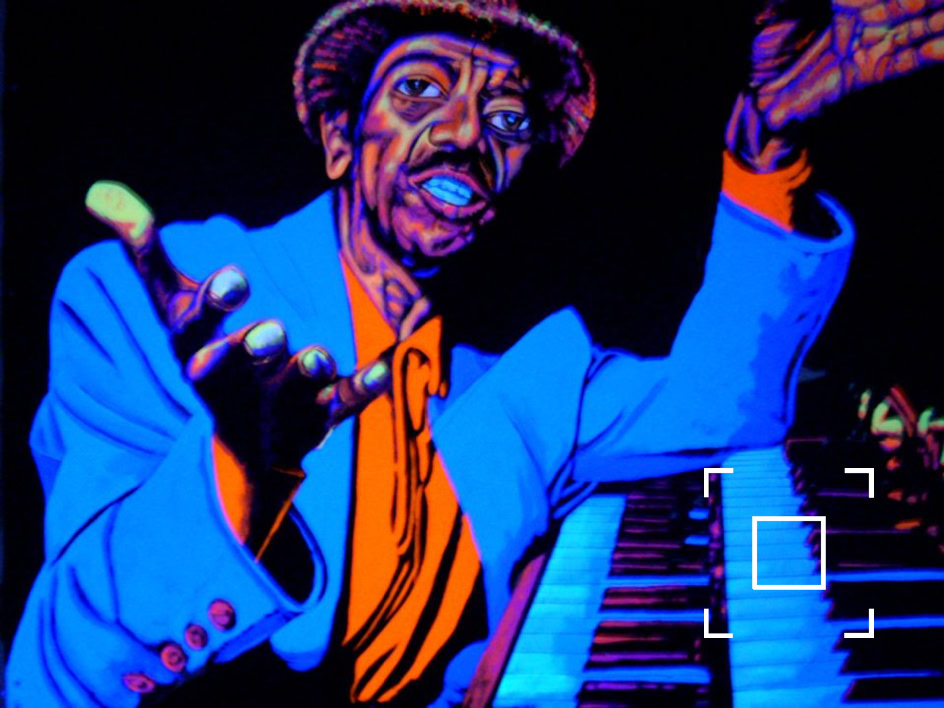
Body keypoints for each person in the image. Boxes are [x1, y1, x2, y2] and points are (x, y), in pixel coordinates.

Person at [6, 0, 943, 705]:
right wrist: (238, 477)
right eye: (420, 89)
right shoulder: (161, 301)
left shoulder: (525, 391)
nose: (466, 137)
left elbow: (721, 405)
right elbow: (54, 674)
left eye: (509, 120)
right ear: (338, 137)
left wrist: (767, 157)